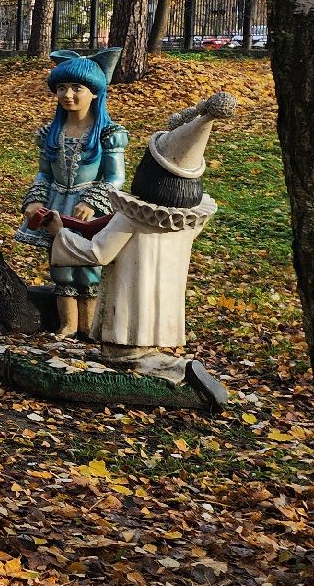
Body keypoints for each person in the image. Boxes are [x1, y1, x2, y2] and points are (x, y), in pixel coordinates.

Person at [48, 92, 235, 409]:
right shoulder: (189, 221)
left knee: (123, 356)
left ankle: (175, 371)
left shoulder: (131, 217)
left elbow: (97, 254)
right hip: (161, 311)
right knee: (144, 349)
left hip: (126, 311)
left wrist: (59, 234)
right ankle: (168, 362)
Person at [15, 49, 127, 339]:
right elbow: (44, 173)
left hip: (89, 213)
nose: (68, 95)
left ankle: (90, 326)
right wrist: (36, 198)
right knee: (62, 265)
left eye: (77, 88)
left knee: (89, 265)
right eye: (62, 88)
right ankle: (68, 324)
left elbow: (115, 177)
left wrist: (93, 201)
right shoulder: (51, 132)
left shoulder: (107, 134)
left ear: (94, 93)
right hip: (57, 207)